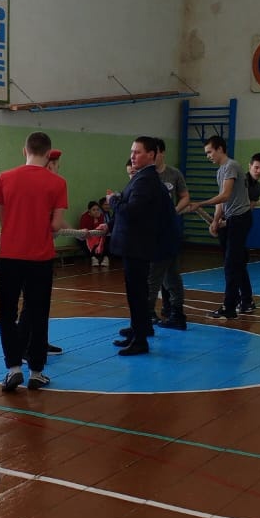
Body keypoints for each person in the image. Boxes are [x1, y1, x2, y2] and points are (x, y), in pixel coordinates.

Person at [0, 132, 69, 391]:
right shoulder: (58, 182)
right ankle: (36, 372)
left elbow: (2, 217)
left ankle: (13, 369)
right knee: (38, 312)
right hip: (40, 258)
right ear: (48, 154)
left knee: (7, 312)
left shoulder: (5, 177)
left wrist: (16, 229)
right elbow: (56, 225)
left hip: (9, 255)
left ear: (24, 150)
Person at [110, 136, 179, 356]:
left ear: (151, 155)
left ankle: (140, 338)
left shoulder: (146, 180)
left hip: (138, 246)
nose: (133, 156)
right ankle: (138, 330)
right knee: (136, 292)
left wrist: (112, 201)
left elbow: (132, 212)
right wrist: (110, 224)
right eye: (132, 152)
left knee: (137, 292)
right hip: (137, 245)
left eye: (137, 152)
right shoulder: (142, 178)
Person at [185, 135, 253, 319]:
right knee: (236, 262)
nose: (208, 156)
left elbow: (225, 195)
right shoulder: (220, 171)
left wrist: (200, 204)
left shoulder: (231, 166)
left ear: (220, 149)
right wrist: (215, 220)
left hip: (240, 219)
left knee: (231, 263)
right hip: (231, 219)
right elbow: (221, 201)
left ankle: (229, 306)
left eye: (210, 152)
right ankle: (246, 300)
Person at [148, 138, 190, 330]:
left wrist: (173, 211)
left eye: (154, 153)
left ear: (161, 153)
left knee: (164, 275)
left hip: (168, 232)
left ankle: (173, 313)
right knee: (161, 275)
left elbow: (185, 196)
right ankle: (166, 313)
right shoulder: (145, 175)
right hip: (152, 231)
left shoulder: (174, 174)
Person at [80, 201, 107, 266]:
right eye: (94, 210)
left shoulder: (101, 216)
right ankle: (93, 258)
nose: (96, 211)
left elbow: (101, 229)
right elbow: (83, 230)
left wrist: (96, 221)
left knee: (106, 239)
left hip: (97, 236)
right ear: (89, 210)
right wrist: (94, 221)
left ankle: (105, 258)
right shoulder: (84, 217)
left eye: (97, 209)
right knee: (83, 241)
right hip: (87, 236)